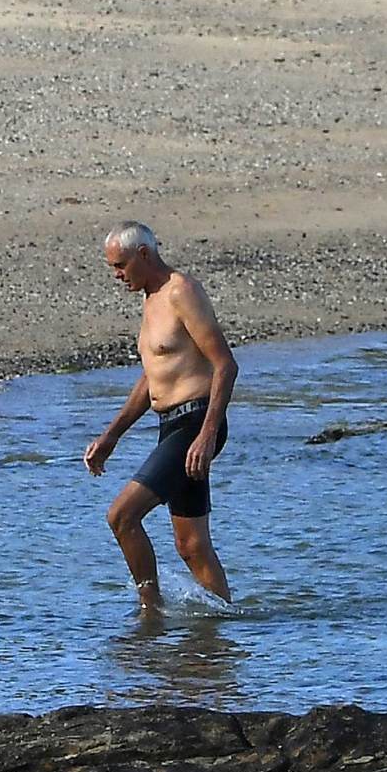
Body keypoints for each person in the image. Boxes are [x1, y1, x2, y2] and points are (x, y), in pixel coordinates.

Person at [81, 223, 234, 613]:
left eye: (120, 265)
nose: (117, 275)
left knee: (122, 516)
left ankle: (150, 611)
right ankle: (221, 628)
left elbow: (225, 366)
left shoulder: (181, 291)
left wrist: (207, 435)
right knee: (191, 544)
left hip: (196, 423)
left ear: (144, 255)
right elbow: (153, 378)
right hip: (172, 426)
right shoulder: (151, 299)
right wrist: (112, 435)